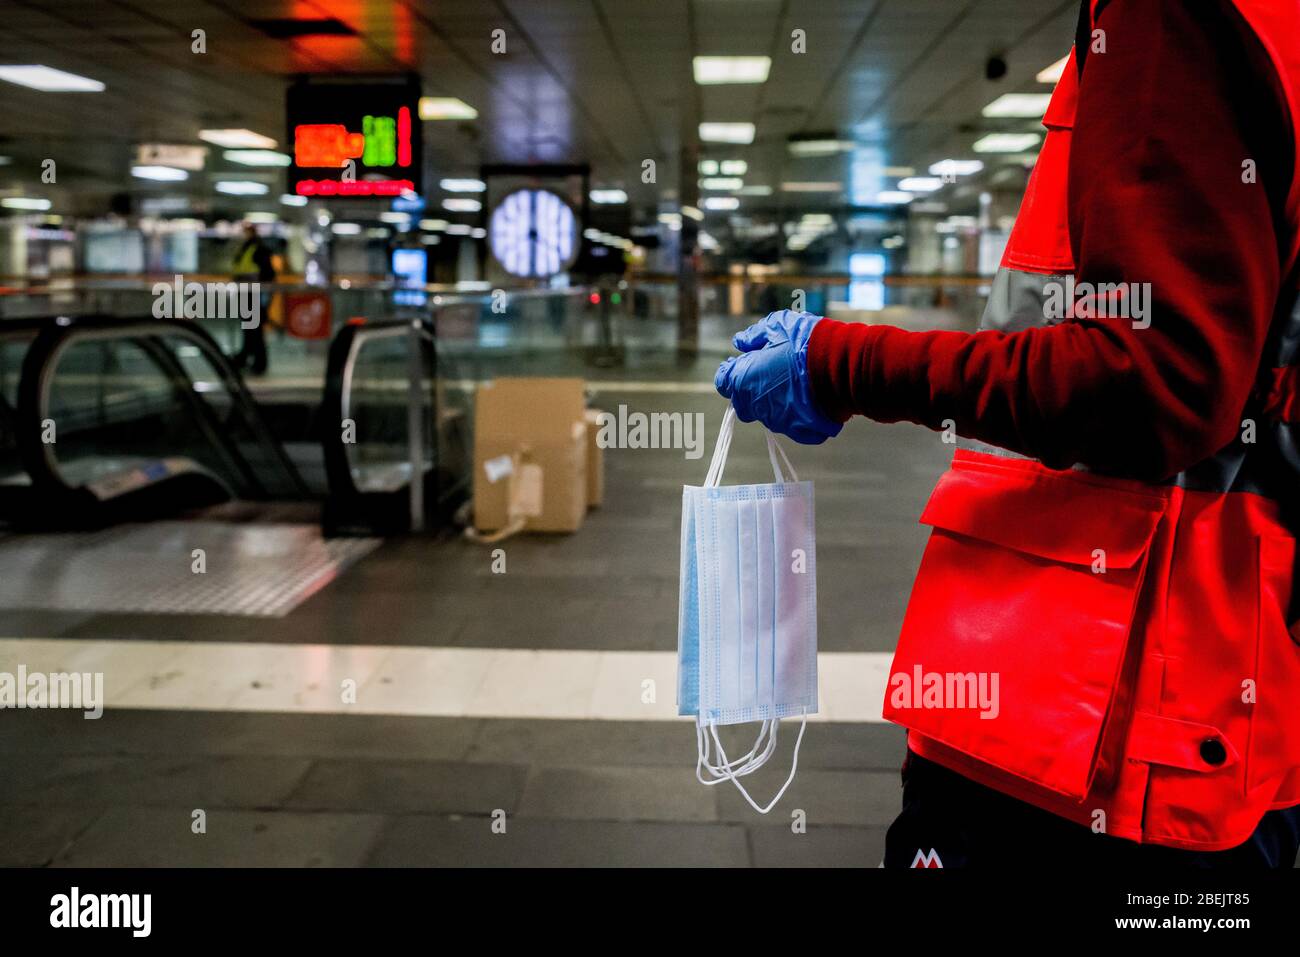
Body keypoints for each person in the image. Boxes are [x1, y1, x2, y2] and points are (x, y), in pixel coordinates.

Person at [716, 0, 1300, 867]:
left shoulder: (1169, 15)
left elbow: (1156, 375)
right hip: (1215, 701)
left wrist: (844, 365)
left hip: (1090, 718)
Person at [231, 222, 277, 375]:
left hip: (254, 294)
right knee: (249, 329)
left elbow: (268, 275)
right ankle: (245, 357)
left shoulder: (258, 249)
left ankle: (259, 363)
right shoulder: (247, 248)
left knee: (255, 330)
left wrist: (264, 297)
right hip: (245, 293)